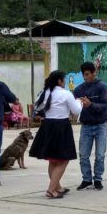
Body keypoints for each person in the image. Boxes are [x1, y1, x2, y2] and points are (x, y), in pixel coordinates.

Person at [29, 70, 83, 199]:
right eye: (64, 79)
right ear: (59, 81)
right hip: (61, 126)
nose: (65, 81)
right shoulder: (66, 94)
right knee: (63, 160)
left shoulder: (44, 92)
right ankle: (51, 189)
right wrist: (79, 102)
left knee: (53, 160)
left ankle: (57, 187)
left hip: (47, 126)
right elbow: (76, 111)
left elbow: (37, 107)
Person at [73, 61, 107, 190]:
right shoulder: (78, 89)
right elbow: (72, 105)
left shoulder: (102, 87)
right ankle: (87, 179)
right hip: (86, 126)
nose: (85, 77)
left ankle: (98, 179)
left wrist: (91, 105)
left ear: (94, 73)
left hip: (100, 125)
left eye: (88, 74)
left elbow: (105, 105)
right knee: (83, 155)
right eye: (83, 74)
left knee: (100, 155)